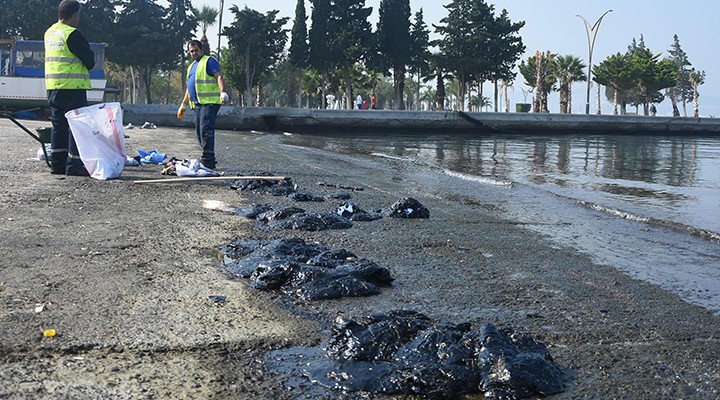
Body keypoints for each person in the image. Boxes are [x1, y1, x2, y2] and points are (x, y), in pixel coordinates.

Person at [44, 0, 95, 176]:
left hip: (53, 87)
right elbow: (90, 61)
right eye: (78, 16)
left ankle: (57, 164)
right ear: (73, 15)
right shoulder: (72, 34)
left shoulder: (49, 33)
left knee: (59, 125)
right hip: (72, 88)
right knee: (77, 126)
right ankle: (74, 165)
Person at [177, 39, 228, 170]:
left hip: (209, 103)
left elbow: (219, 76)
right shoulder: (191, 67)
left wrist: (222, 92)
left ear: (201, 50)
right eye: (191, 51)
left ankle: (208, 160)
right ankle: (209, 157)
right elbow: (190, 87)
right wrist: (183, 104)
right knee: (200, 132)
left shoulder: (209, 61)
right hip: (198, 104)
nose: (194, 53)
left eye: (196, 50)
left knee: (206, 129)